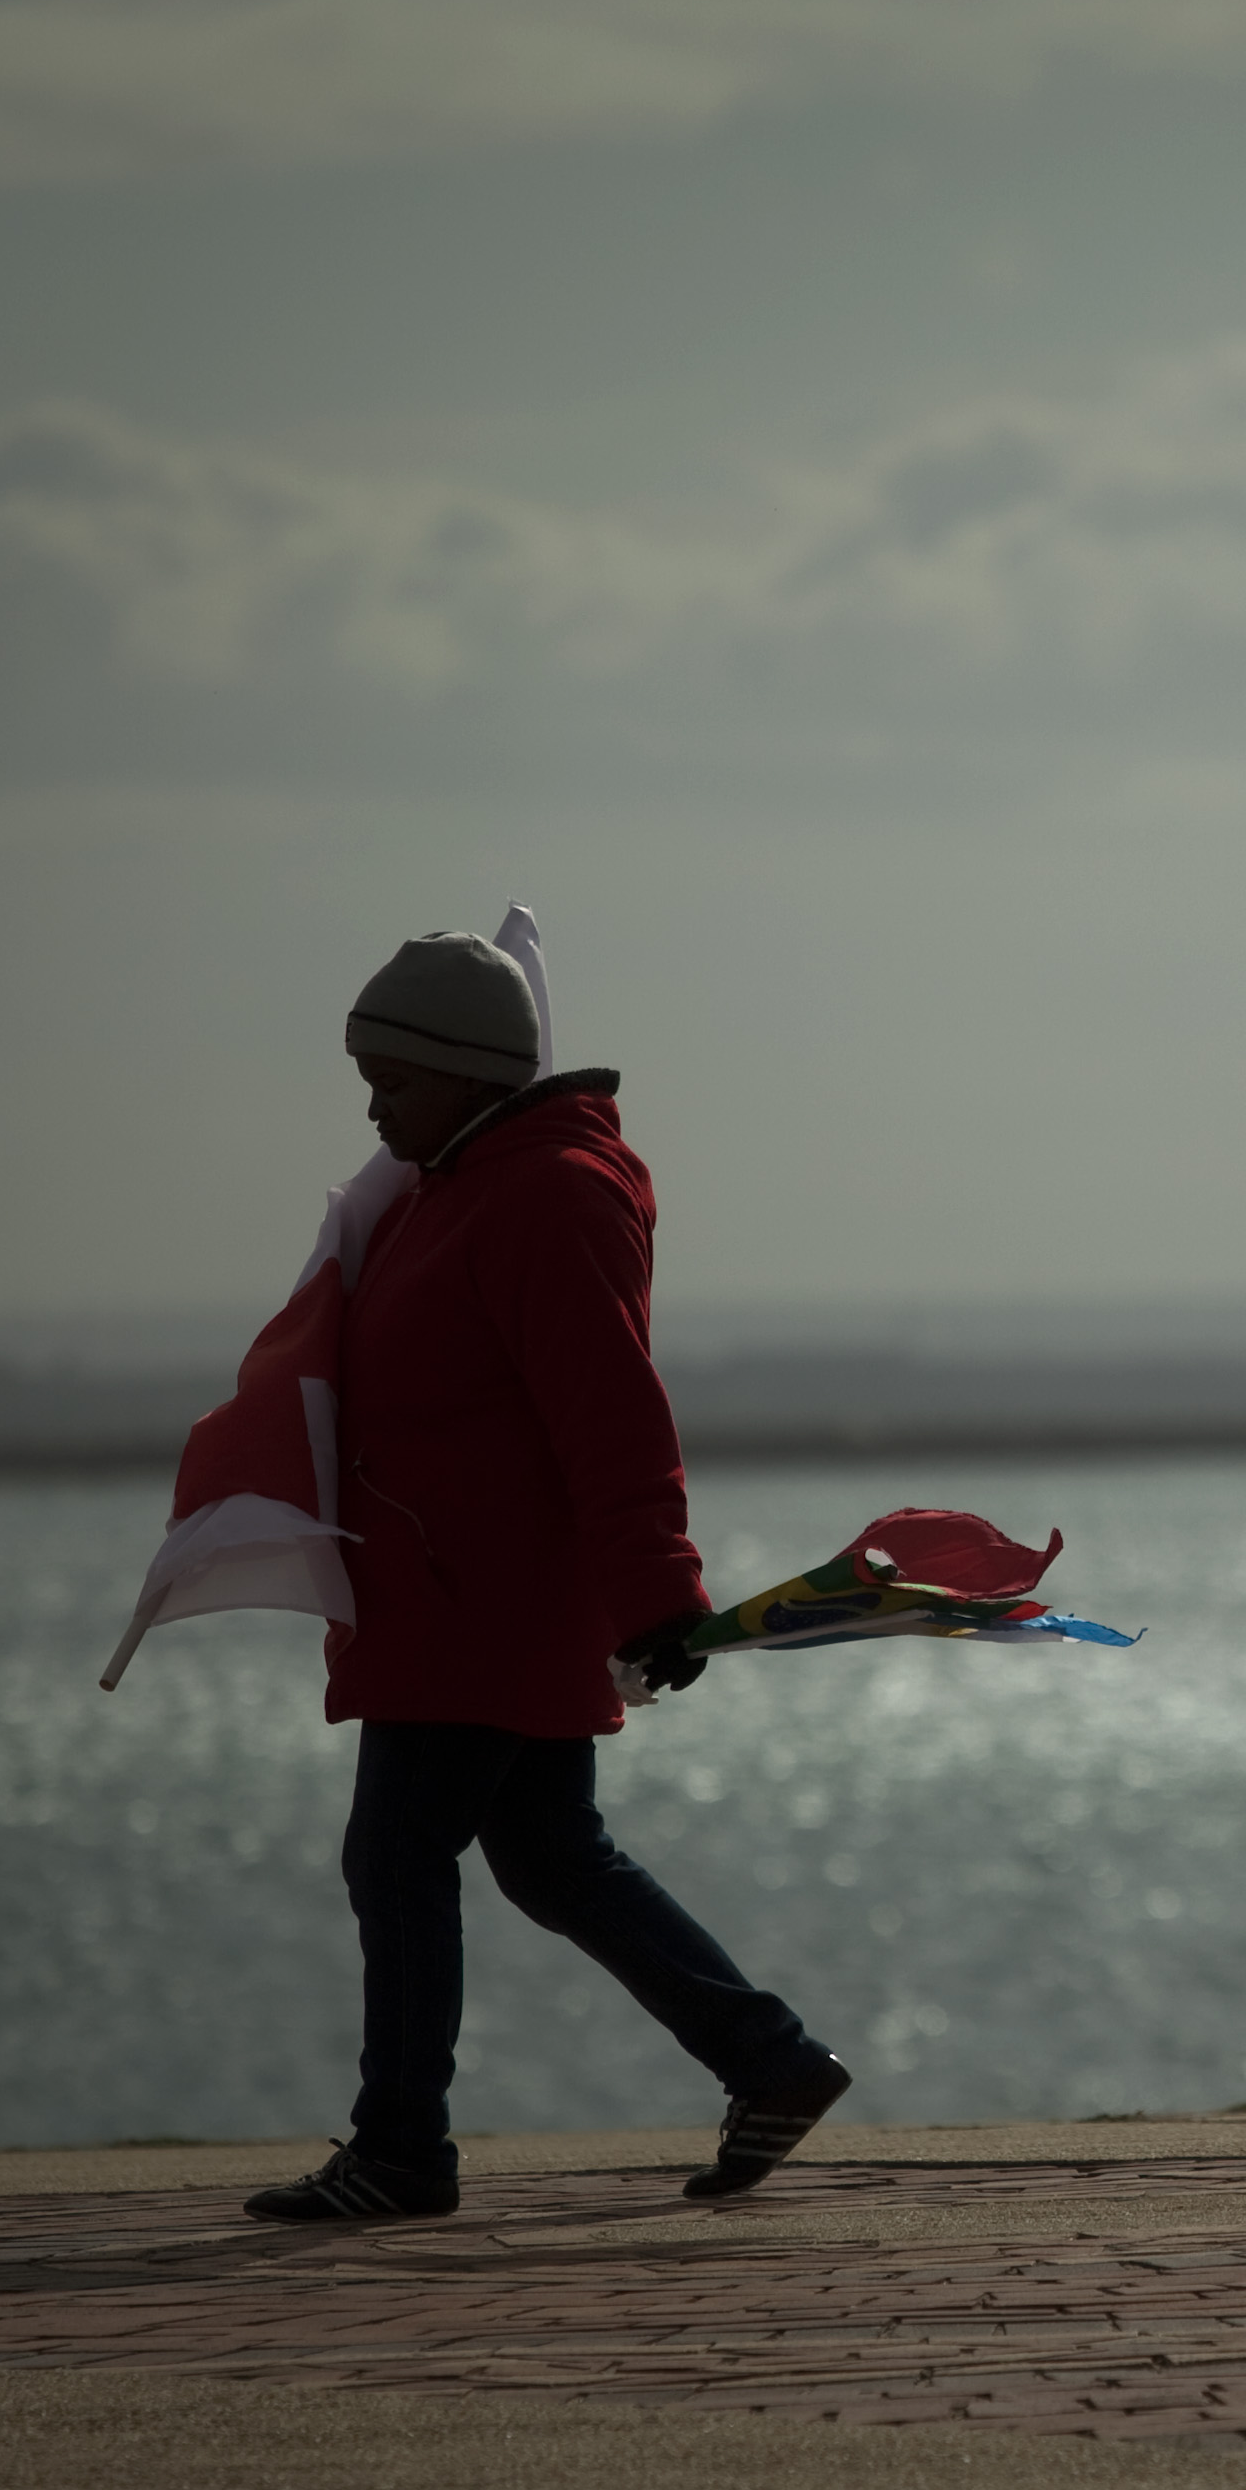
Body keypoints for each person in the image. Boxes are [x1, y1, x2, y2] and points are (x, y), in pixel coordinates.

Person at [243, 931, 854, 2222]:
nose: (371, 1105)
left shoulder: (545, 1194)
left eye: (392, 1078)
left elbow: (611, 1412)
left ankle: (401, 2147)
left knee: (398, 1849)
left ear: (469, 1073)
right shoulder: (450, 1182)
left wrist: (655, 1593)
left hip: (487, 1600)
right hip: (453, 1588)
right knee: (548, 1853)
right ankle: (771, 2059)